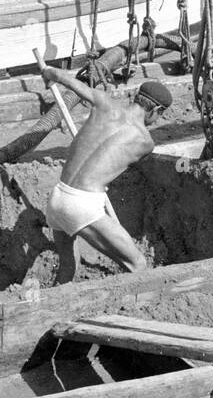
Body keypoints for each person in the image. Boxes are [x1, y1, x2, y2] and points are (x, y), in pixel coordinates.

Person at [37, 62, 173, 282]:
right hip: (83, 206)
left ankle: (55, 305)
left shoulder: (103, 102)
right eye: (159, 115)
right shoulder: (145, 142)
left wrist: (49, 73)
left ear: (137, 96)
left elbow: (63, 77)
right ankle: (128, 310)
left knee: (68, 266)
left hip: (57, 198)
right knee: (138, 264)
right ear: (156, 111)